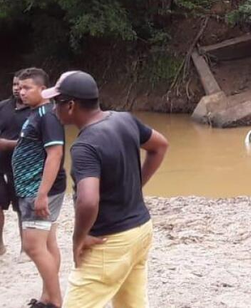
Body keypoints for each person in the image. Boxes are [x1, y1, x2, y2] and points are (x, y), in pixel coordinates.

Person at [45, 71, 169, 308]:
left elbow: (88, 201)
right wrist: (136, 184)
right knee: (130, 304)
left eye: (56, 102)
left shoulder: (84, 146)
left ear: (71, 105)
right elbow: (160, 146)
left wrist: (78, 238)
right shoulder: (124, 119)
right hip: (141, 230)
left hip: (109, 240)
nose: (53, 109)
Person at [13, 67, 66, 308]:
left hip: (39, 189)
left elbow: (55, 154)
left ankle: (54, 301)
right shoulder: (37, 113)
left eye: (27, 88)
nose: (21, 92)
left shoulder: (47, 116)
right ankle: (47, 296)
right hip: (31, 187)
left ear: (43, 90)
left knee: (33, 246)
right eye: (20, 87)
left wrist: (42, 194)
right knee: (47, 244)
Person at [0, 70, 32, 257]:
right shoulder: (2, 107)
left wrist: (7, 144)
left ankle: (25, 248)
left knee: (23, 209)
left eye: (21, 86)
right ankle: (0, 246)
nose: (17, 89)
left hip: (23, 168)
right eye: (14, 85)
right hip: (0, 166)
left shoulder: (37, 112)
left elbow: (40, 142)